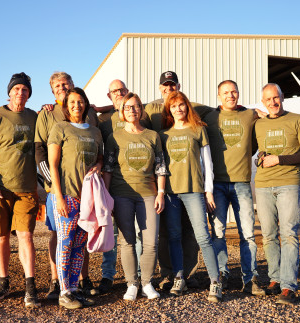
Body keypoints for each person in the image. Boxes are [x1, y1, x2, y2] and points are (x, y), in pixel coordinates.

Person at [35, 72, 99, 300]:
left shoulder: (91, 118)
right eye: (58, 85)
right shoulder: (49, 116)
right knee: (61, 236)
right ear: (53, 91)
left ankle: (78, 283)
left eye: (66, 84)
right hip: (61, 189)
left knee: (80, 239)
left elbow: (98, 149)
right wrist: (53, 186)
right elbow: (42, 152)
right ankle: (59, 285)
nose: (63, 88)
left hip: (86, 193)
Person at [0, 72, 40, 308]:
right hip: (0, 189)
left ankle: (30, 285)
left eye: (24, 90)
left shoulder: (34, 117)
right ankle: (4, 282)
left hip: (26, 188)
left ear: (28, 94)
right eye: (16, 89)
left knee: (26, 236)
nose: (20, 93)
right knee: (1, 236)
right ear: (9, 92)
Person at [254, 83, 300, 305]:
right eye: (268, 99)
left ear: (282, 97)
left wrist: (279, 159)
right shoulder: (258, 124)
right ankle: (275, 279)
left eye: (276, 98)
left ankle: (289, 286)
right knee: (268, 235)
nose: (273, 102)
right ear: (263, 102)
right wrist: (260, 157)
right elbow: (256, 149)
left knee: (288, 233)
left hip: (288, 183)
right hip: (262, 185)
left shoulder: (298, 120)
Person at [102, 92, 167, 301]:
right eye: (128, 107)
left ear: (141, 110)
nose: (132, 110)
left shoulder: (152, 136)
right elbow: (108, 168)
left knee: (150, 242)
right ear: (122, 112)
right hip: (121, 195)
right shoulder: (115, 137)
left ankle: (147, 282)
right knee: (127, 240)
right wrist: (106, 197)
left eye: (136, 106)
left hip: (148, 194)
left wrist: (161, 193)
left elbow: (160, 166)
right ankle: (131, 284)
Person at [203, 80, 265, 296]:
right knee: (218, 232)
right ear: (218, 95)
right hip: (217, 184)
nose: (231, 95)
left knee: (247, 234)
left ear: (239, 93)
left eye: (234, 91)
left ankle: (250, 278)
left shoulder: (250, 115)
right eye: (226, 92)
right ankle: (222, 274)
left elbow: (264, 130)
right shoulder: (209, 118)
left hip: (241, 183)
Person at [159, 91, 222, 302]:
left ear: (187, 106)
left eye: (182, 105)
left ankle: (215, 281)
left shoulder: (198, 130)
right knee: (174, 237)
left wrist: (208, 190)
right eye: (174, 106)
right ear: (169, 109)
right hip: (171, 193)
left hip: (194, 190)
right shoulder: (163, 134)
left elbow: (208, 164)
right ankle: (179, 278)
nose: (178, 109)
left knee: (203, 236)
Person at [48, 87, 103, 309]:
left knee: (80, 244)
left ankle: (73, 288)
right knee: (66, 241)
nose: (76, 105)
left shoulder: (95, 131)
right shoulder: (60, 128)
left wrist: (98, 166)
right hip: (67, 195)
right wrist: (58, 197)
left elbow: (100, 157)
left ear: (86, 104)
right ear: (66, 106)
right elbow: (52, 164)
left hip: (87, 197)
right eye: (72, 102)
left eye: (80, 102)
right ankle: (63, 292)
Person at [97, 80, 151, 294]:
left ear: (128, 92)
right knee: (114, 234)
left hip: (141, 187)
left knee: (137, 234)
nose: (119, 93)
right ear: (109, 96)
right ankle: (108, 275)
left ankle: (137, 276)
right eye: (114, 91)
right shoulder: (104, 120)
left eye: (122, 90)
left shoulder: (141, 114)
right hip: (116, 185)